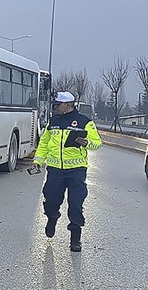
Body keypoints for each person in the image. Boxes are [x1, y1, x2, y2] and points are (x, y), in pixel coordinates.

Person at [33, 91, 102, 252]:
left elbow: (97, 143)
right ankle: (52, 218)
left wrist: (86, 142)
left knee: (76, 204)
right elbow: (44, 143)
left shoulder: (85, 122)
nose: (56, 107)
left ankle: (75, 238)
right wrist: (37, 161)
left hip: (76, 170)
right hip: (55, 170)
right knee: (50, 200)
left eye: (58, 104)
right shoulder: (53, 121)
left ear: (68, 105)